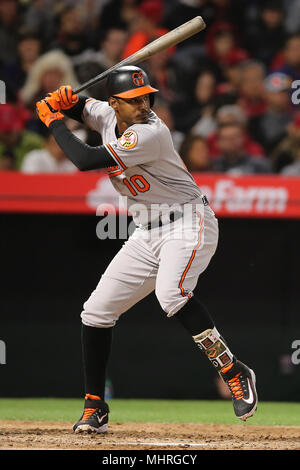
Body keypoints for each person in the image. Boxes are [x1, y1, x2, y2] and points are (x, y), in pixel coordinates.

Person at [36, 65, 258, 433]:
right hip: (146, 231)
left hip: (187, 221)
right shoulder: (107, 114)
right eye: (133, 100)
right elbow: (86, 107)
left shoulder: (150, 132)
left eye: (146, 97)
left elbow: (85, 160)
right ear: (115, 103)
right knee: (95, 313)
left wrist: (54, 121)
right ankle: (95, 406)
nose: (142, 104)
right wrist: (67, 101)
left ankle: (233, 369)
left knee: (171, 295)